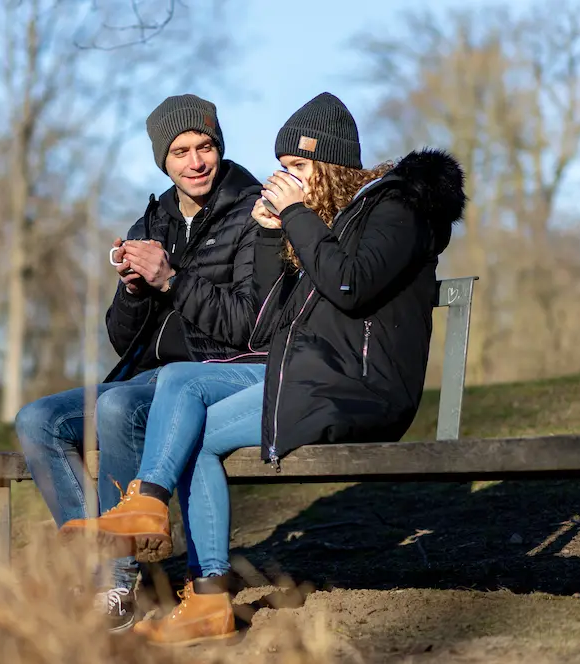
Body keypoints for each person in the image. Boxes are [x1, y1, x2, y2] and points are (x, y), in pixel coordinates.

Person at [60, 92, 466, 645]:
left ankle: (186, 568)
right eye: (283, 170)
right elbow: (266, 320)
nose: (285, 180)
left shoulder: (395, 209)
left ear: (327, 164)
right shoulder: (327, 219)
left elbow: (349, 286)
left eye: (297, 168)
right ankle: (158, 518)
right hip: (309, 375)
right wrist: (274, 234)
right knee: (180, 383)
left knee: (190, 425)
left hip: (360, 388)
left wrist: (294, 215)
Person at [14, 93, 264, 632]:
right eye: (179, 152)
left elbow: (246, 326)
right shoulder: (156, 218)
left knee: (120, 407)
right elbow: (120, 338)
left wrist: (170, 280)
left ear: (220, 147)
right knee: (36, 421)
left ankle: (116, 583)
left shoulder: (254, 212)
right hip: (147, 372)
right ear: (163, 160)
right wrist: (132, 289)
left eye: (205, 147)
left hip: (210, 373)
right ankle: (102, 565)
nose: (195, 162)